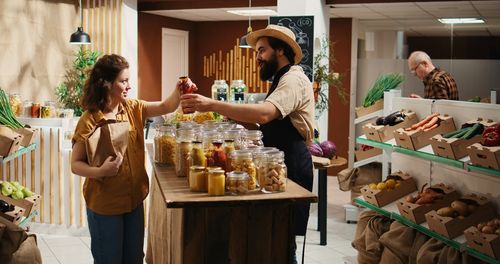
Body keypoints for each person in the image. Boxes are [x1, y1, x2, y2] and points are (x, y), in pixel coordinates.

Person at [180, 24, 315, 262]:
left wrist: (211, 104)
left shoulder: (294, 79)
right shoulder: (281, 78)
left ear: (281, 50)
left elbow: (264, 114)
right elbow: (268, 123)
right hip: (275, 161)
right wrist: (231, 118)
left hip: (289, 165)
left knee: (283, 241)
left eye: (262, 50)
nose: (258, 57)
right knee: (271, 236)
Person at [71, 54, 183, 264]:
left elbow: (166, 107)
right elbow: (75, 164)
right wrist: (101, 171)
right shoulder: (89, 120)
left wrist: (179, 89)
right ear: (106, 84)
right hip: (106, 205)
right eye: (123, 81)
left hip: (134, 201)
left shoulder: (133, 108)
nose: (129, 86)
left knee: (134, 259)